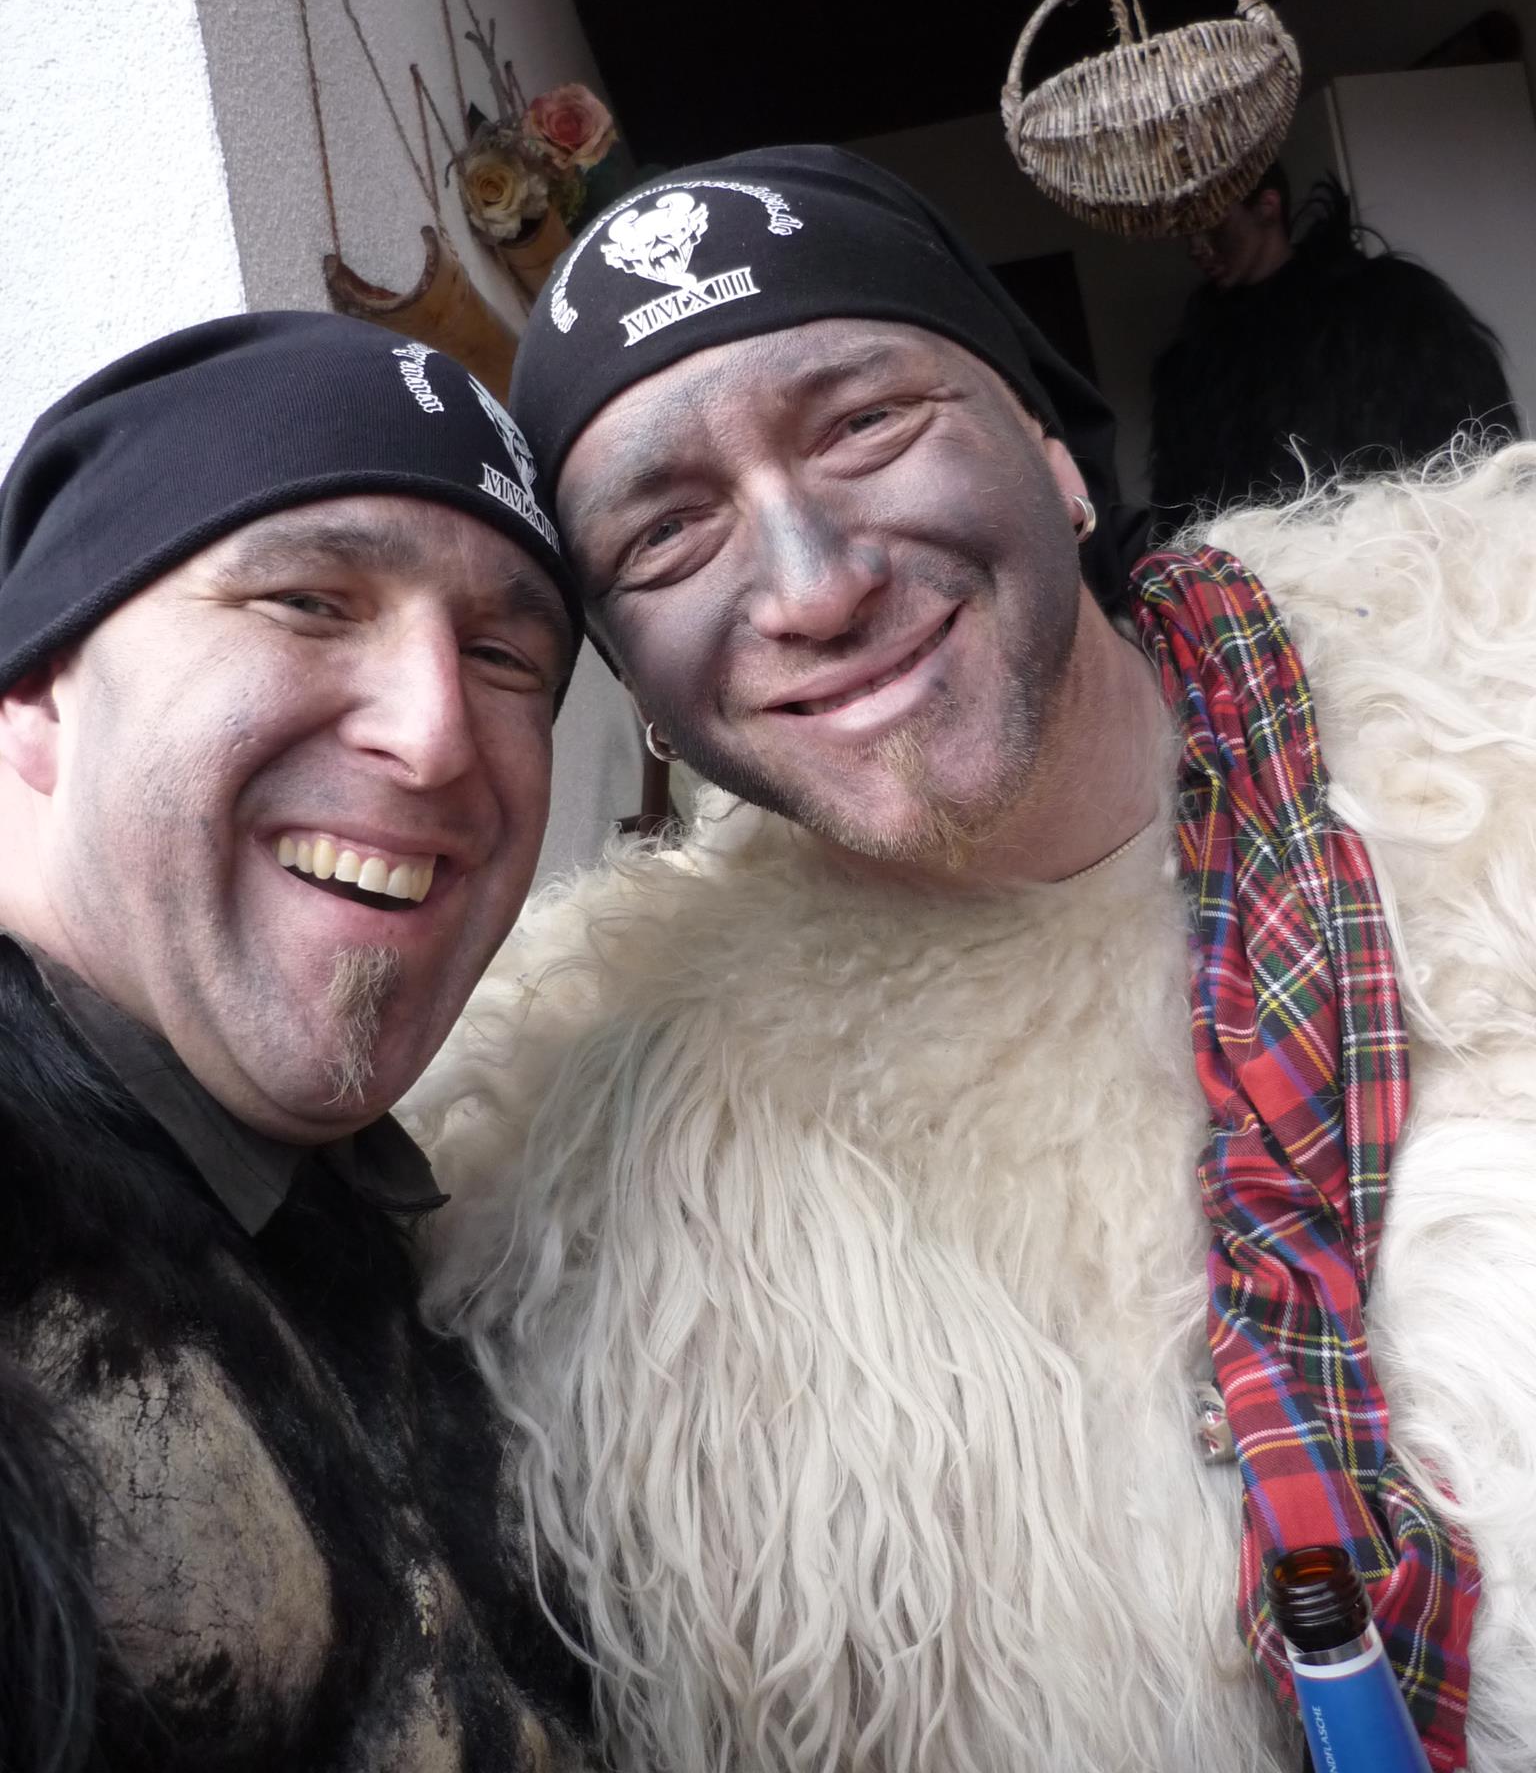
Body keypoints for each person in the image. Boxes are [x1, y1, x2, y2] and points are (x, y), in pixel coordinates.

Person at [411, 146, 1536, 1773]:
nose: (813, 585)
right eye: (665, 534)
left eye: (865, 423)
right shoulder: (616, 1196)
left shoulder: (1497, 695)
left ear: (1052, 451)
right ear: (640, 691)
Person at [0, 313, 599, 1773]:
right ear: (34, 695)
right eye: (310, 601)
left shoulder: (458, 1234)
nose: (436, 733)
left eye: (504, 653)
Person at [1149, 165, 1517, 528]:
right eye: (1187, 231)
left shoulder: (1391, 310)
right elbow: (1185, 511)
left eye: (1213, 225)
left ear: (1267, 206)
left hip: (1401, 544)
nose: (1196, 247)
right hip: (1264, 561)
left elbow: (1478, 441)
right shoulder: (1195, 367)